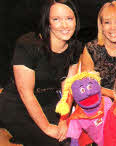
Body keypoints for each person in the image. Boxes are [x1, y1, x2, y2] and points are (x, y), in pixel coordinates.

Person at [0, 0, 83, 145]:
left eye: (69, 19)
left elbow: (67, 87)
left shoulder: (75, 47)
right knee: (50, 141)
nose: (65, 25)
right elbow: (25, 92)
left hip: (48, 101)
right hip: (18, 103)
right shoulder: (28, 44)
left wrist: (64, 119)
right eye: (56, 19)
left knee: (68, 138)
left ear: (76, 20)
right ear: (48, 22)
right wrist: (46, 127)